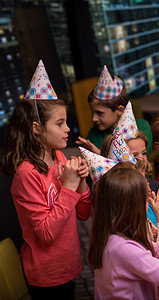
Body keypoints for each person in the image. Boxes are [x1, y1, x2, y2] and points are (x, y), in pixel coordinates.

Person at [0, 60, 91, 299]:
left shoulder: (60, 157)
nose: (68, 128)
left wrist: (81, 182)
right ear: (37, 128)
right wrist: (70, 186)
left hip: (70, 263)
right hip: (46, 275)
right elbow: (46, 233)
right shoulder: (26, 174)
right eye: (60, 123)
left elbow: (84, 213)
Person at [87, 165, 159, 299]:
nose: (149, 204)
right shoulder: (122, 249)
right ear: (131, 207)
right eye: (145, 199)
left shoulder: (123, 236)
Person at [76, 65, 152, 154]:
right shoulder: (93, 135)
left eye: (100, 113)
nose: (94, 119)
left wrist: (98, 152)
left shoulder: (142, 127)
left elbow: (137, 162)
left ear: (120, 110)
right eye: (93, 113)